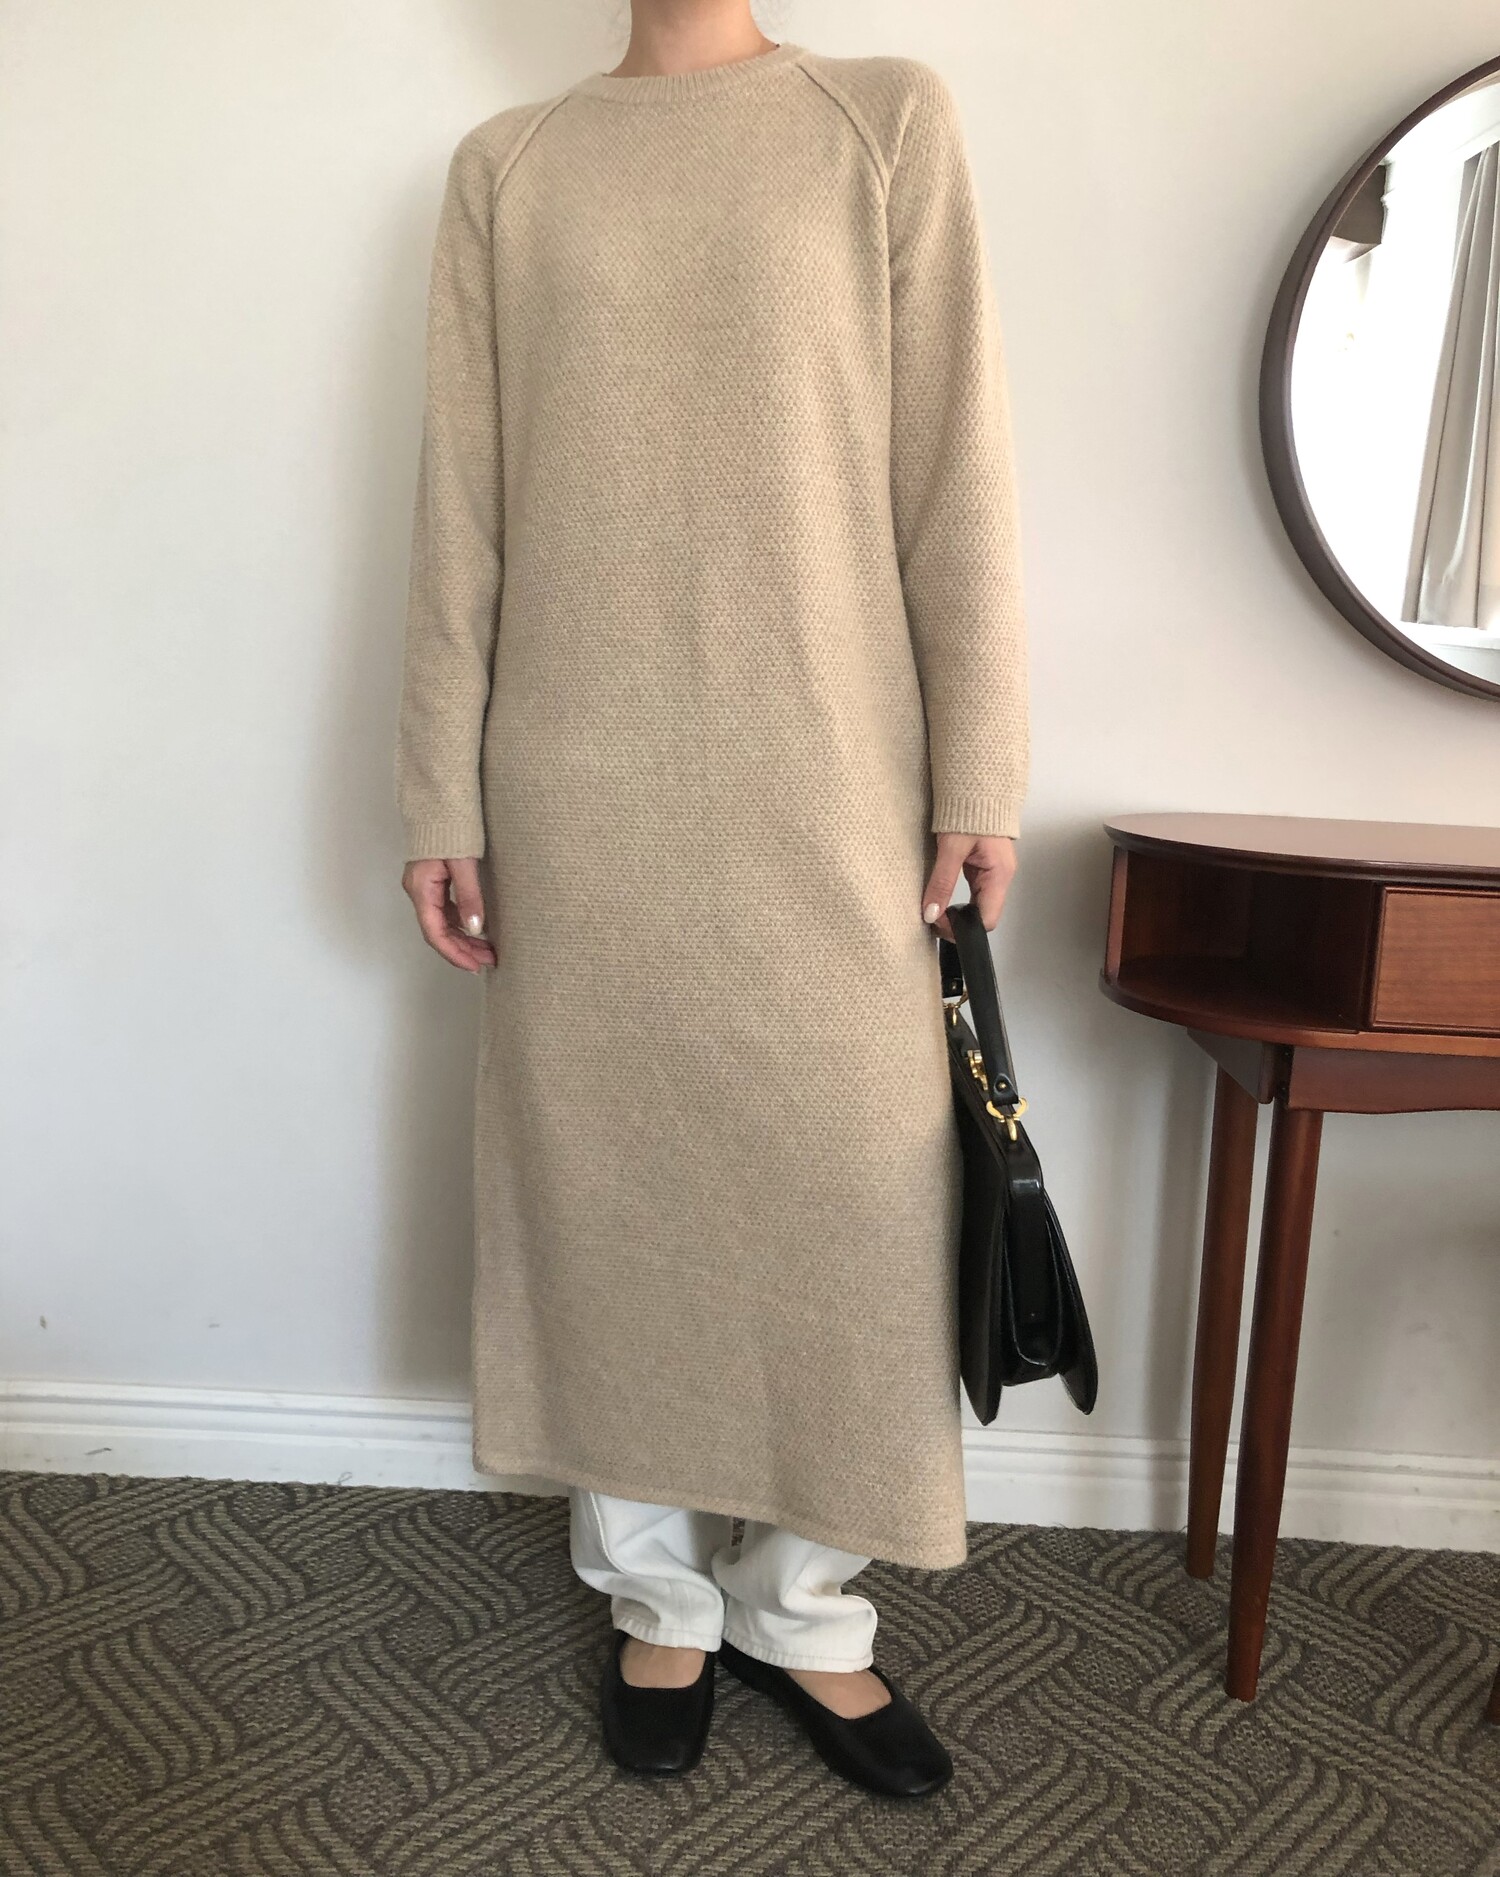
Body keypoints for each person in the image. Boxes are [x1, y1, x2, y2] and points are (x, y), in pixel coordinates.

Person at [395, 0, 1028, 1801]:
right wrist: (440, 786)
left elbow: (956, 464)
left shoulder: (883, 122)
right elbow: (463, 508)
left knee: (857, 1191)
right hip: (580, 779)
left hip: (833, 769)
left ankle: (804, 1605)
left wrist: (981, 763)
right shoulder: (511, 167)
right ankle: (658, 1592)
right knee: (608, 1182)